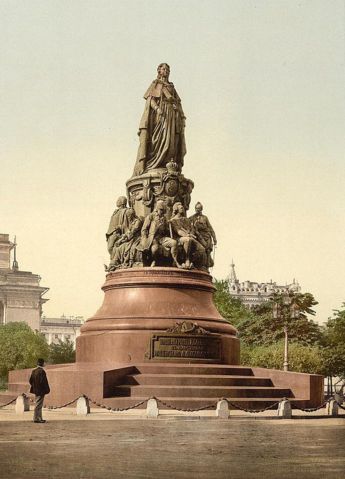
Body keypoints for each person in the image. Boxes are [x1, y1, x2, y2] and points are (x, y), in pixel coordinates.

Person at [133, 63, 186, 176]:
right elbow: (150, 100)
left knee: (171, 140)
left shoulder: (171, 86)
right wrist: (157, 109)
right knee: (158, 139)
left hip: (172, 115)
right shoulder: (156, 84)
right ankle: (154, 162)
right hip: (161, 114)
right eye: (164, 69)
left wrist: (181, 115)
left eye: (168, 69)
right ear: (159, 71)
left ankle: (167, 162)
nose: (166, 71)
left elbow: (178, 102)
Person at [140, 200, 181, 267]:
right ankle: (154, 260)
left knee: (174, 243)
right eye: (161, 210)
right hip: (153, 238)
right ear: (157, 209)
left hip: (162, 238)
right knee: (155, 249)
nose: (162, 212)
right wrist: (144, 239)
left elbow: (166, 231)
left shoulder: (164, 218)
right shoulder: (151, 216)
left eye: (163, 210)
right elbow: (144, 229)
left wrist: (168, 225)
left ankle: (175, 261)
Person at [170, 202, 206, 269]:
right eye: (181, 208)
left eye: (183, 208)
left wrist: (191, 233)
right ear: (176, 209)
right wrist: (187, 235)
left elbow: (192, 229)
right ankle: (187, 259)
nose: (182, 209)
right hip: (179, 239)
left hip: (189, 236)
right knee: (187, 240)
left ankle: (192, 262)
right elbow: (178, 231)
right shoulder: (173, 220)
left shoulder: (187, 220)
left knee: (202, 249)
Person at [189, 202, 217, 268]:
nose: (197, 210)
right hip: (198, 236)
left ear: (201, 209)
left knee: (208, 251)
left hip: (207, 236)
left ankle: (206, 267)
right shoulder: (191, 218)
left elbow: (210, 228)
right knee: (200, 250)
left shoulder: (205, 218)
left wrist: (214, 238)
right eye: (196, 208)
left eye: (199, 209)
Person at [29, 358, 50, 423]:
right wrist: (47, 389)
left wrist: (35, 386)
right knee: (38, 405)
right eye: (44, 362)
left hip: (36, 390)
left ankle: (39, 418)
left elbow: (30, 381)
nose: (45, 363)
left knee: (39, 404)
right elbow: (44, 382)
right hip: (41, 391)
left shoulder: (34, 371)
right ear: (42, 363)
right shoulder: (42, 371)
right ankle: (36, 418)